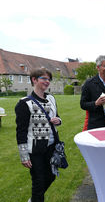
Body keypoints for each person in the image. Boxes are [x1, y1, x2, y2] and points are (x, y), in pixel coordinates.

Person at [15, 68, 62, 202]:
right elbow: (21, 131)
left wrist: (58, 121)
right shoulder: (24, 103)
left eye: (49, 79)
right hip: (35, 150)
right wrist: (24, 156)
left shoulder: (51, 98)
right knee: (39, 182)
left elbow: (57, 117)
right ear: (34, 80)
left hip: (52, 146)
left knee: (51, 176)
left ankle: (34, 199)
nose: (47, 82)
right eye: (44, 78)